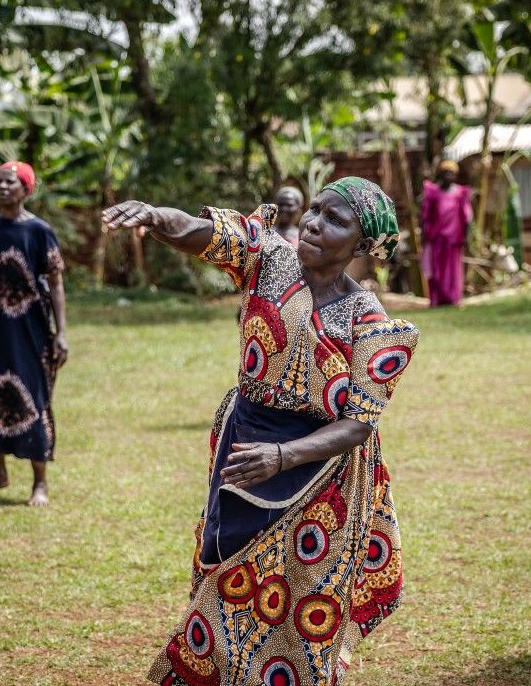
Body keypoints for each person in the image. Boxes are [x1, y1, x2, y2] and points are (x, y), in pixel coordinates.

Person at [103, 176, 419, 686]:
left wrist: (282, 456)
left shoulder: (372, 323)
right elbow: (199, 231)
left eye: (335, 220)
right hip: (244, 443)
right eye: (316, 210)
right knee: (225, 572)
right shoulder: (268, 257)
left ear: (362, 245)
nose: (315, 222)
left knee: (303, 594)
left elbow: (358, 425)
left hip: (320, 475)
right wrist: (156, 216)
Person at [0, 161, 68, 507]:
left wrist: (61, 333)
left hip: (30, 332)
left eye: (10, 182)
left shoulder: (39, 232)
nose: (2, 187)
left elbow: (56, 285)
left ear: (26, 188)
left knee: (33, 398)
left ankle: (40, 482)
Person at [420, 159, 472, 306]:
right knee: (436, 271)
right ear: (440, 175)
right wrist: (424, 236)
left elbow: (467, 217)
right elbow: (425, 216)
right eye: (445, 173)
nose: (448, 176)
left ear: (455, 175)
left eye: (451, 173)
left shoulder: (460, 193)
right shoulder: (433, 192)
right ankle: (436, 300)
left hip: (454, 239)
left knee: (453, 271)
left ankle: (453, 299)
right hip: (436, 239)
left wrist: (466, 237)